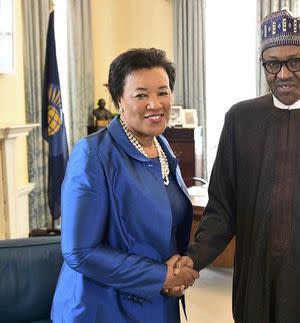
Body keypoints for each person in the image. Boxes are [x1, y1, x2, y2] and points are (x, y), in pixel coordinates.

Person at [171, 9, 300, 323]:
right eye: (273, 64)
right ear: (263, 63)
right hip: (257, 284)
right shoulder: (240, 120)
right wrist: (193, 259)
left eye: (295, 61)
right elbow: (222, 209)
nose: (283, 74)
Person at [51, 48, 199, 323]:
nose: (155, 104)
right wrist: (162, 276)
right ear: (119, 99)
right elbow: (80, 252)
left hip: (157, 302)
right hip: (103, 308)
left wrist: (177, 268)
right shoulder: (93, 154)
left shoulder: (162, 145)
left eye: (163, 92)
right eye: (141, 94)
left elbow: (166, 226)